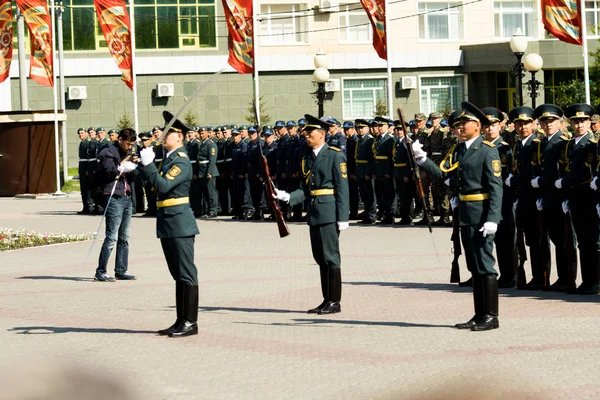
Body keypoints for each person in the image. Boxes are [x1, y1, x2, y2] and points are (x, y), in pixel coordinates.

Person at [413, 101, 502, 331]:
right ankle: (478, 314)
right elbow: (446, 177)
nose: (458, 128)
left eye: (463, 124)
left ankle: (491, 316)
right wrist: (423, 159)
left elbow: (495, 187)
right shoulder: (459, 150)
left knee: (485, 266)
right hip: (464, 214)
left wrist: (493, 218)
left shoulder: (486, 149)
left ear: (478, 125)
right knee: (473, 266)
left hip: (482, 214)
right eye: (456, 125)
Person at [273, 114, 349, 315]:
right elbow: (304, 188)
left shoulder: (334, 155)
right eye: (305, 132)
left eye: (310, 132)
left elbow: (342, 188)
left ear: (322, 134)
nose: (306, 135)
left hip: (329, 211)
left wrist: (343, 217)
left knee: (331, 257)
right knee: (320, 257)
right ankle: (326, 299)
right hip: (314, 212)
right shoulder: (307, 157)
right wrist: (287, 196)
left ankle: (335, 301)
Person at [139, 111, 200, 337]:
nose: (163, 136)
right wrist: (137, 169)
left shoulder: (182, 161)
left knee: (186, 274)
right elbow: (154, 183)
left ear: (180, 137)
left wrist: (149, 166)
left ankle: (191, 322)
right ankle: (180, 320)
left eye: (168, 133)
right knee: (177, 274)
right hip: (168, 222)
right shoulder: (169, 159)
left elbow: (164, 186)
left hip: (180, 223)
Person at [532, 104, 575, 292]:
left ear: (560, 123)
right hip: (547, 198)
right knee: (555, 240)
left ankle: (567, 279)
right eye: (544, 122)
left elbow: (560, 172)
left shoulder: (562, 143)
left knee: (564, 241)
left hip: (559, 198)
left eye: (552, 121)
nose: (548, 125)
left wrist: (541, 181)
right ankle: (560, 278)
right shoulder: (543, 143)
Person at [557, 104, 599, 295]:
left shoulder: (591, 145)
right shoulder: (570, 145)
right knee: (581, 241)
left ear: (590, 123)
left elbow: (583, 173)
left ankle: (593, 281)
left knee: (590, 241)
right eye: (575, 121)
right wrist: (566, 195)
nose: (579, 124)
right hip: (575, 197)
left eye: (583, 121)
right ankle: (586, 280)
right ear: (570, 124)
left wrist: (564, 182)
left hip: (587, 198)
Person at [94, 128, 139, 282]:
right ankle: (100, 271)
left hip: (126, 196)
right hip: (113, 196)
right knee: (111, 236)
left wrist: (135, 165)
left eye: (132, 144)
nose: (129, 147)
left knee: (124, 236)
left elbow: (134, 177)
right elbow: (109, 173)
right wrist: (123, 163)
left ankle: (121, 270)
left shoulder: (130, 153)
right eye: (128, 143)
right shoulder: (107, 152)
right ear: (119, 139)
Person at [482, 107, 517, 288]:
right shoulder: (479, 147)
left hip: (502, 200)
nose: (490, 129)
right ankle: (482, 274)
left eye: (493, 125)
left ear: (500, 126)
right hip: (482, 199)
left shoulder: (505, 149)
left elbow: (506, 175)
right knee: (483, 240)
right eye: (486, 125)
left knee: (504, 239)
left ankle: (508, 275)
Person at [77, 128, 94, 215]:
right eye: (79, 133)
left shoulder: (87, 143)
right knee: (83, 188)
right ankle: (85, 207)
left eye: (82, 133)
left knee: (87, 188)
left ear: (86, 134)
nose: (81, 135)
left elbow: (88, 157)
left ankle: (90, 206)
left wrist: (87, 169)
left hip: (86, 166)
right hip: (82, 166)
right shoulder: (82, 143)